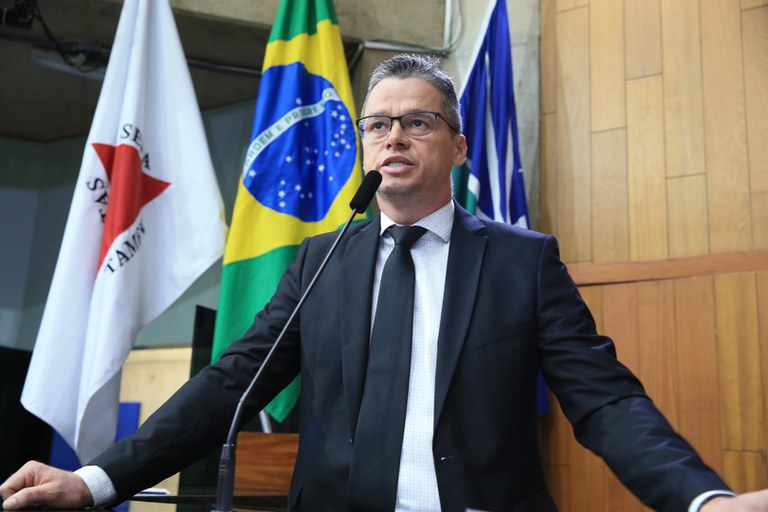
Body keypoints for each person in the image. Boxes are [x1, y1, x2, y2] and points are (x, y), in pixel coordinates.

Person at [2, 54, 767, 512]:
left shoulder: (522, 263)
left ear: (458, 147)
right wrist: (95, 481)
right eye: (377, 124)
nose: (394, 136)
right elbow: (228, 385)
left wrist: (702, 499)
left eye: (418, 122)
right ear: (363, 145)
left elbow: (605, 400)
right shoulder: (321, 261)